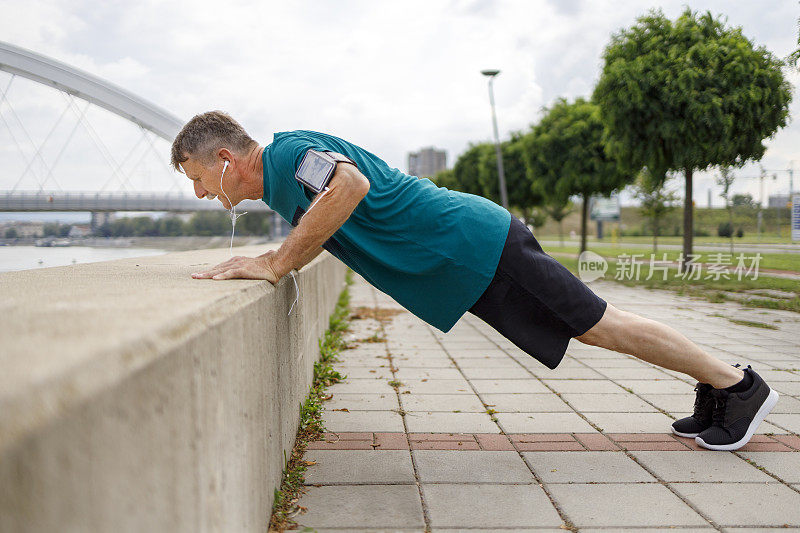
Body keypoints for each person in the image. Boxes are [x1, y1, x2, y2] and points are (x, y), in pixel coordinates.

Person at [171, 110, 779, 452]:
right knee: (595, 332)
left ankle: (738, 383)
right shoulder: (282, 175)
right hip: (469, 261)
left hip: (477, 244)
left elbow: (349, 186)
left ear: (224, 160)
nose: (200, 192)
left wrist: (275, 263)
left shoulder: (284, 156)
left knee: (601, 325)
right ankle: (719, 387)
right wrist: (278, 255)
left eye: (197, 176)